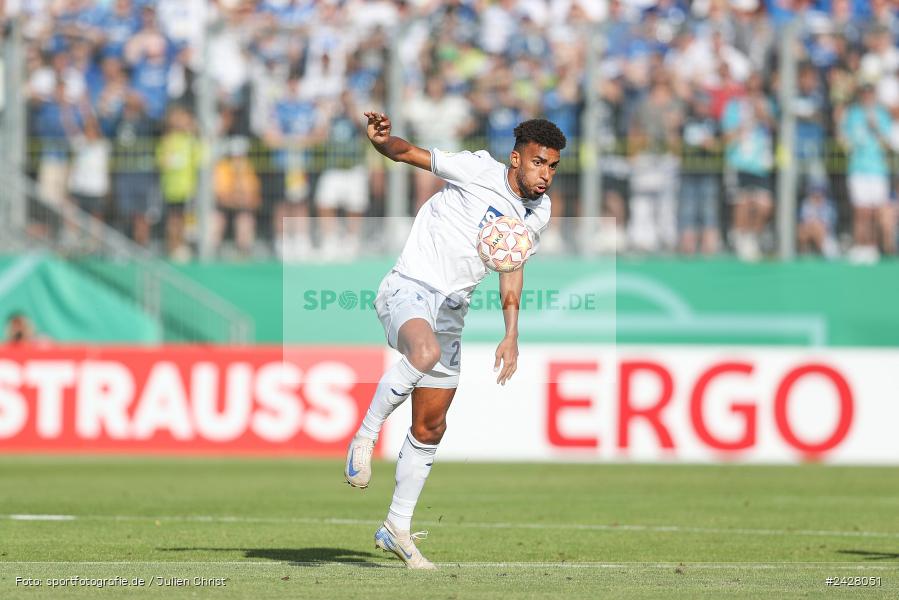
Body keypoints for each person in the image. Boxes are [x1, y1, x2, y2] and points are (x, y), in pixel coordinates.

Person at [344, 112, 565, 569]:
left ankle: (396, 528)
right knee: (423, 354)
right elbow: (407, 153)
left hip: (451, 310)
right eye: (538, 163)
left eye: (553, 167)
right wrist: (382, 141)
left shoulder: (537, 212)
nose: (545, 175)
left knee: (431, 426)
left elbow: (511, 264)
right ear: (516, 157)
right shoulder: (477, 169)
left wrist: (511, 333)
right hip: (408, 287)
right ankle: (365, 435)